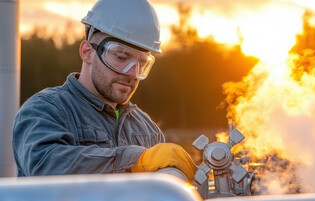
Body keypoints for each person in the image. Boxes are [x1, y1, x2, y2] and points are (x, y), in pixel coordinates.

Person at [12, 0, 196, 181]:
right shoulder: (44, 110)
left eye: (141, 63)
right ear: (87, 52)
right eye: (121, 57)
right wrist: (134, 160)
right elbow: (46, 165)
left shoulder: (147, 129)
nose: (132, 73)